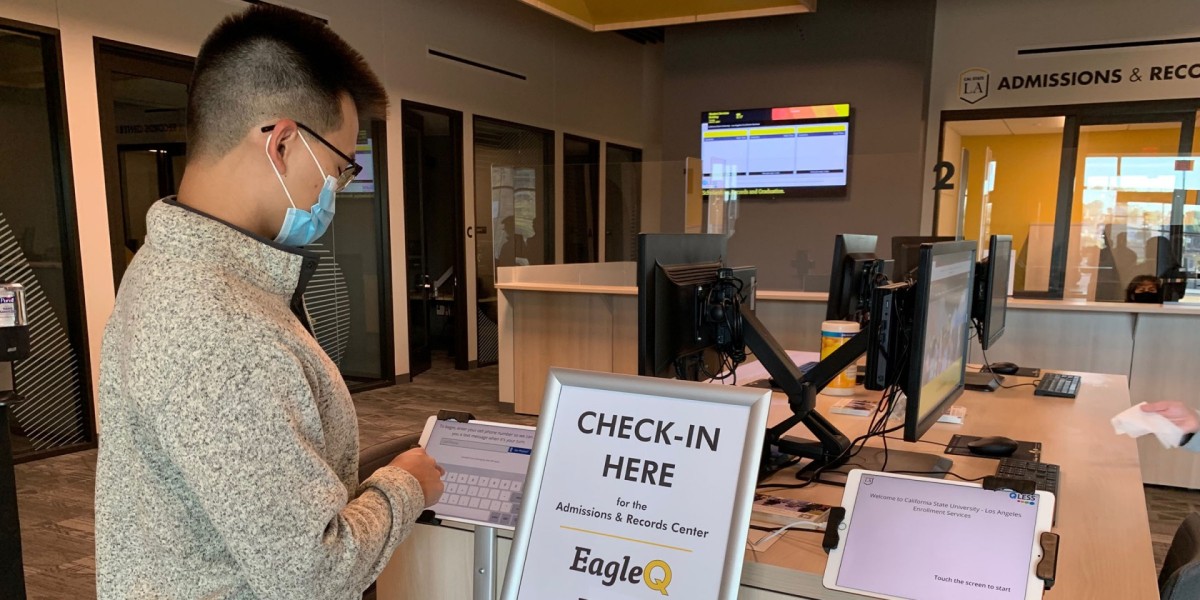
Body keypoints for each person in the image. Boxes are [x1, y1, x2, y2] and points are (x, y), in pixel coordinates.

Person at [95, 6, 444, 599]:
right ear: (282, 142)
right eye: (337, 168)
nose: (332, 191)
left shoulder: (169, 264)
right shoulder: (216, 322)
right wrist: (404, 484)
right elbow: (311, 571)